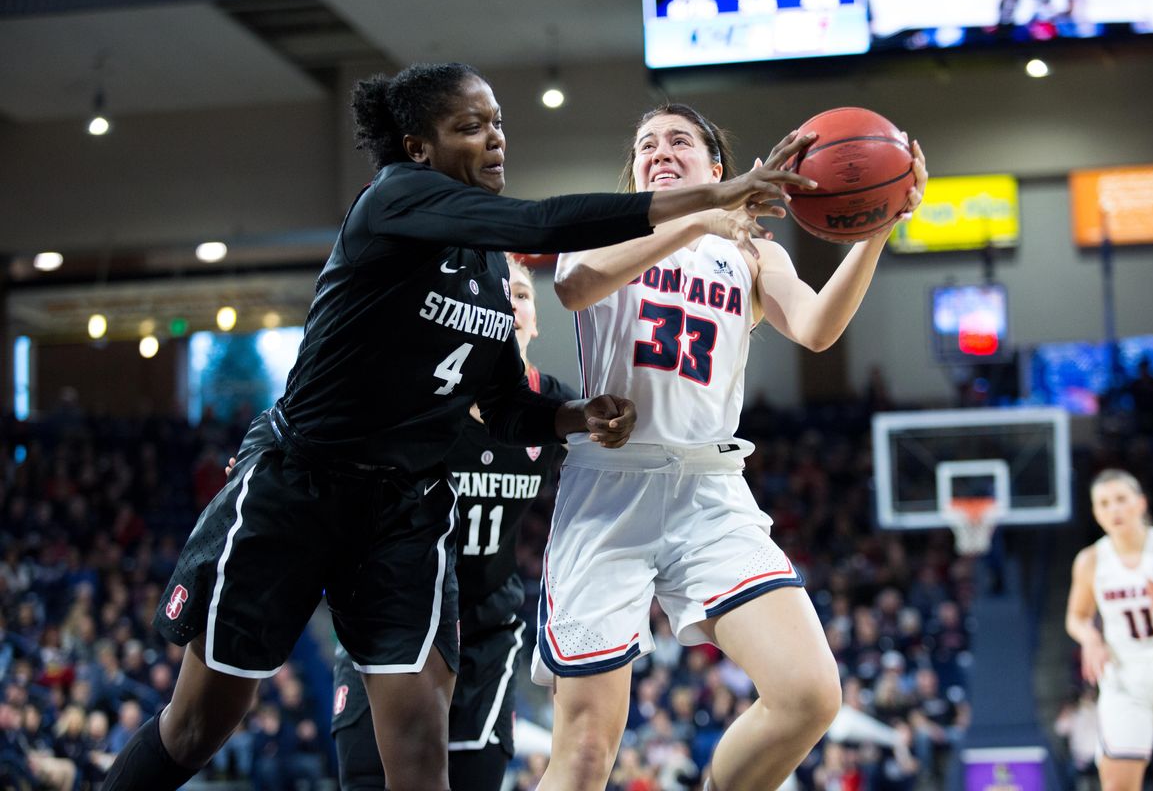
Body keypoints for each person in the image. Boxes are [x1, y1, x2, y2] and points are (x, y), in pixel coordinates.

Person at [99, 63, 810, 791]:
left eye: (498, 122)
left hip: (401, 508)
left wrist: (575, 417)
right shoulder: (395, 201)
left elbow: (504, 402)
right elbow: (542, 223)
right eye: (471, 126)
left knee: (417, 745)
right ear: (417, 148)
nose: (495, 138)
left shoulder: (485, 263)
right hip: (301, 483)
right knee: (198, 724)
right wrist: (712, 198)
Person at [534, 102, 927, 791]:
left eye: (679, 140)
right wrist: (701, 214)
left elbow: (815, 328)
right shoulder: (602, 223)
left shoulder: (753, 251)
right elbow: (574, 285)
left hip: (708, 489)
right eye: (645, 142)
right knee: (588, 750)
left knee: (809, 695)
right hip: (608, 491)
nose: (659, 148)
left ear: (715, 167)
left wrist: (878, 225)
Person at [330, 257, 575, 791]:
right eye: (496, 291)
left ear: (536, 321)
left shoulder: (557, 407)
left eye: (523, 295)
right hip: (395, 613)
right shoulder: (420, 400)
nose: (511, 301)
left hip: (486, 627)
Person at [1065, 469, 1153, 791]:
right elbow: (1076, 617)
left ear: (1140, 503)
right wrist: (1091, 638)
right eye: (1104, 503)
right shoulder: (1091, 560)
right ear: (1096, 513)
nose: (1114, 509)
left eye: (1121, 500)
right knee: (1117, 782)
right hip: (1125, 671)